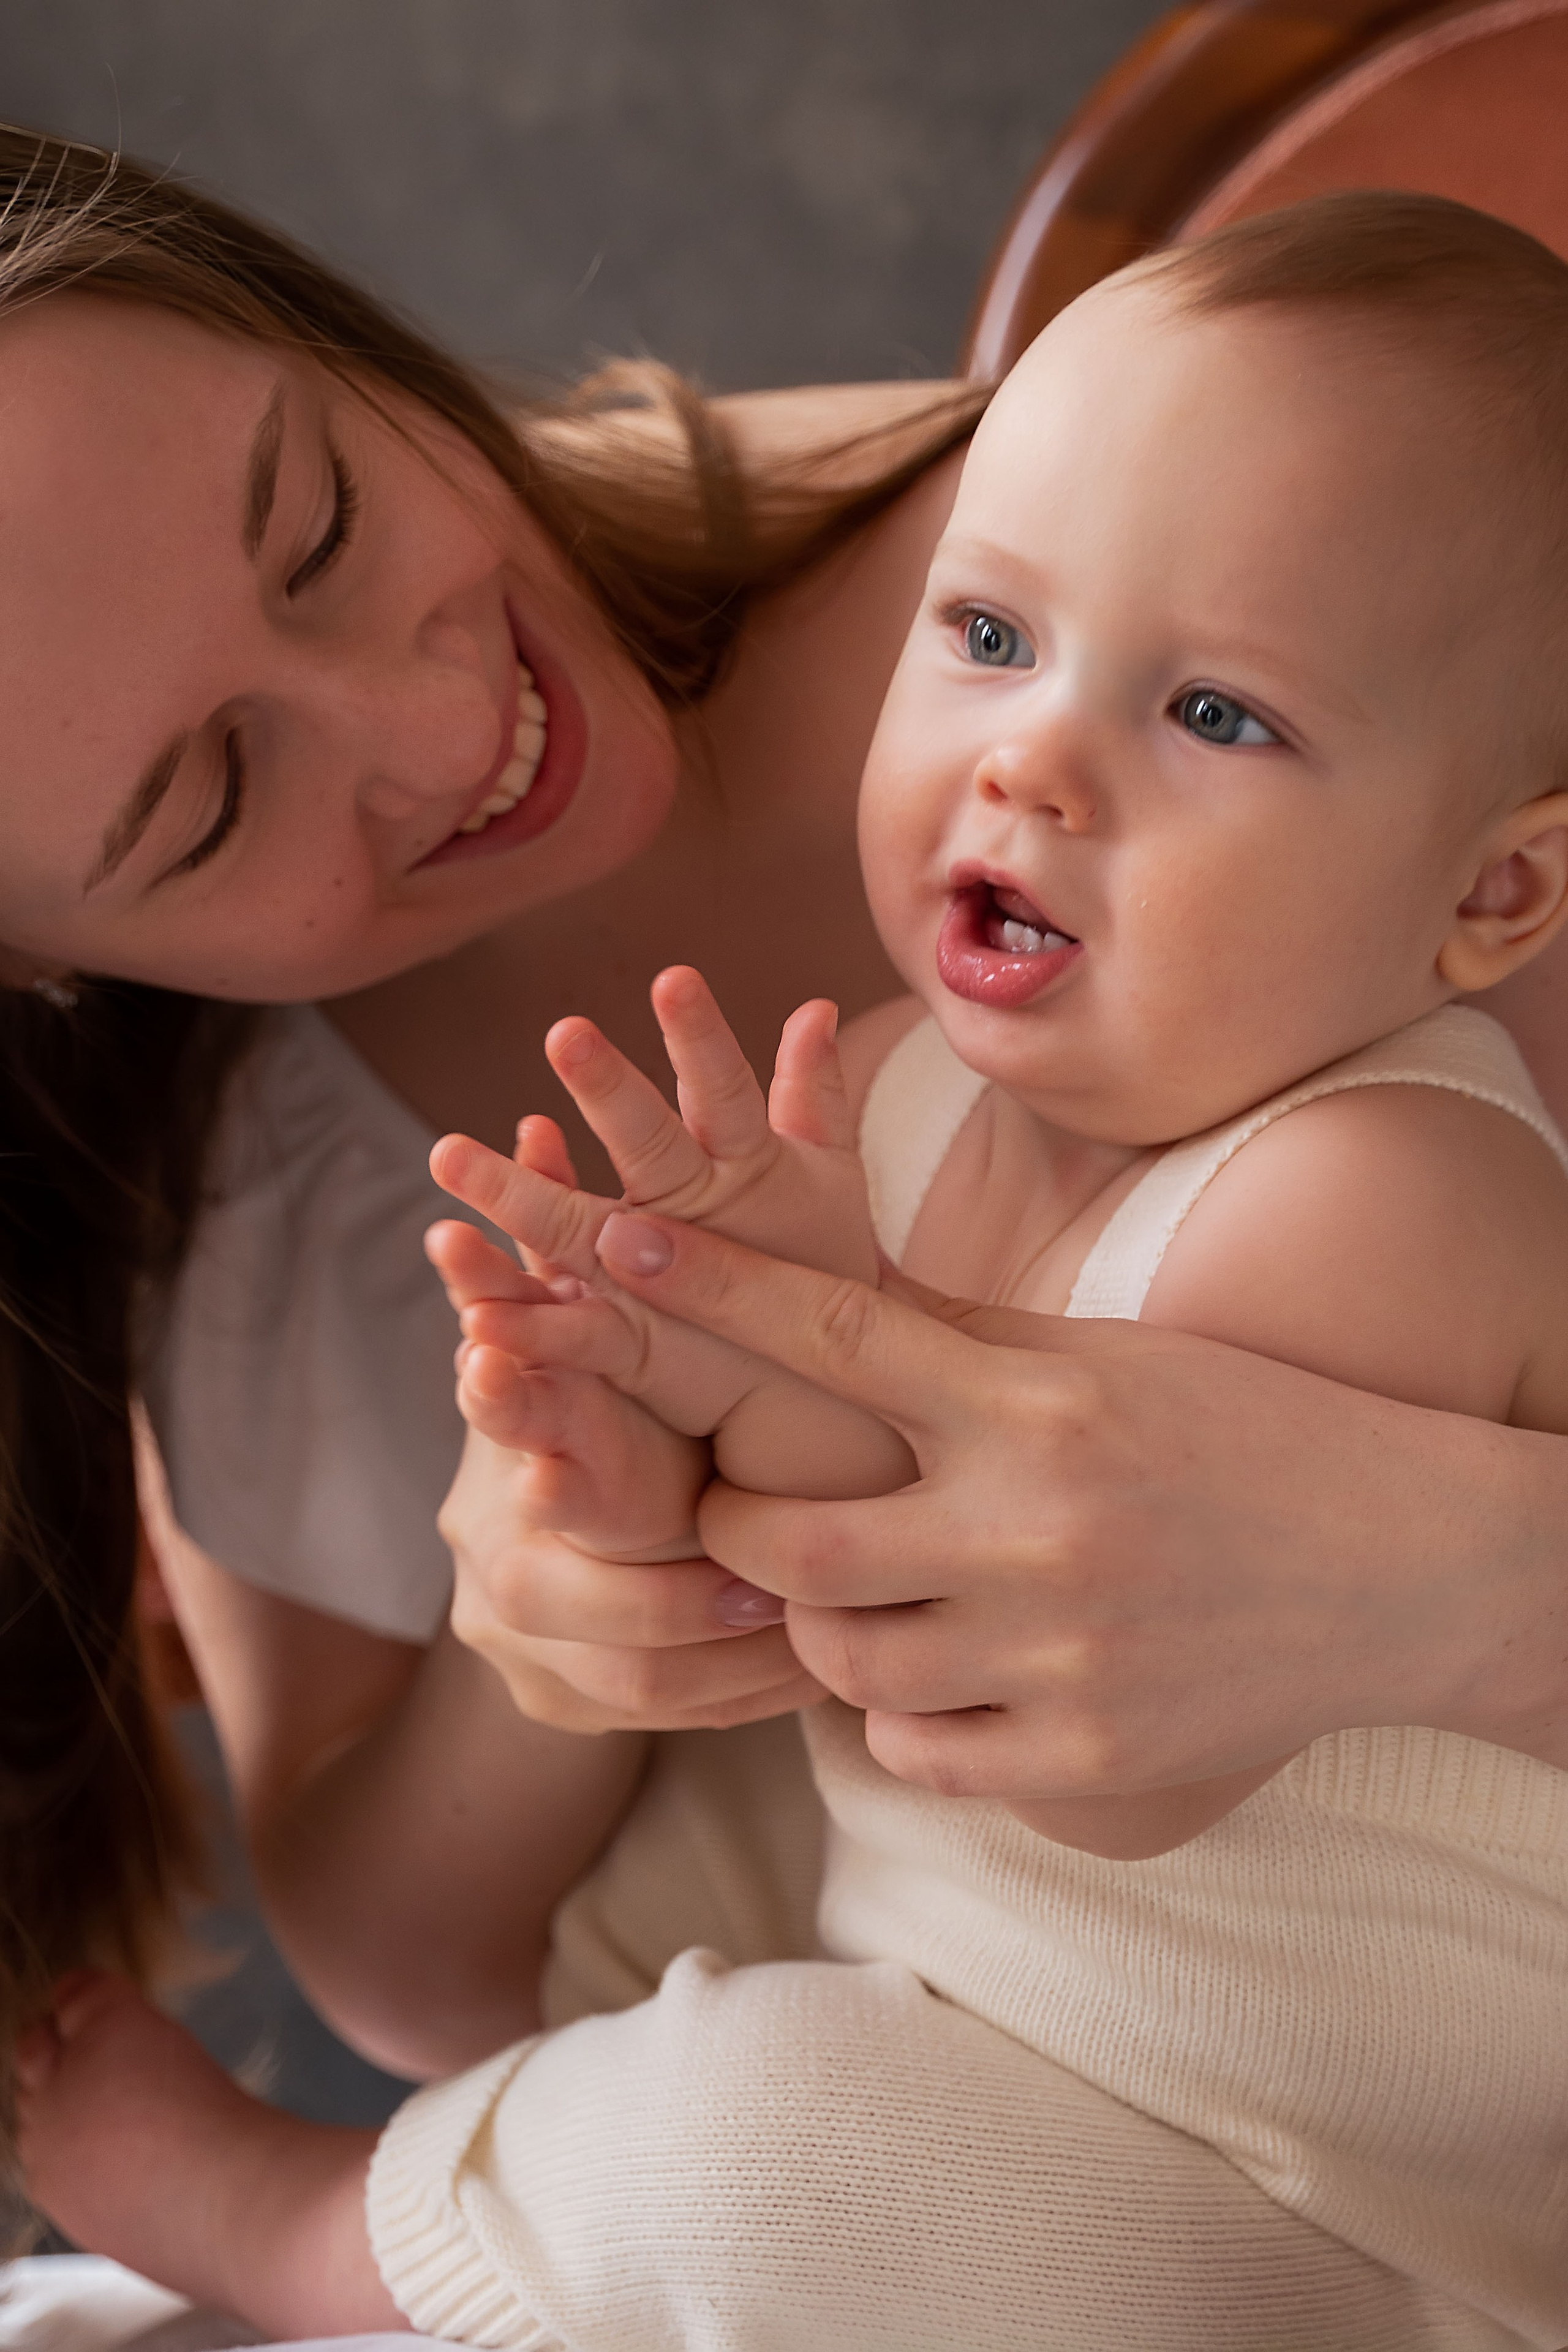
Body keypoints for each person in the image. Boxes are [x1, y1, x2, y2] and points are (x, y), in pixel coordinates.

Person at [18, 192, 1568, 2352]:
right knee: (752, 2063)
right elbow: (458, 1935)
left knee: (784, 2135)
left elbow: (1093, 1709)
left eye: (322, 527)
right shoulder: (913, 1080)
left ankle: (311, 2243)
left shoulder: (1376, 1131)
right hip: (1016, 2024)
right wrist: (621, 1510)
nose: (424, 711)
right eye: (204, 801)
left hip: (1369, 2180)